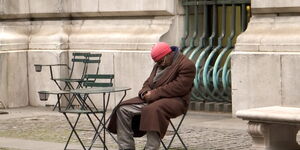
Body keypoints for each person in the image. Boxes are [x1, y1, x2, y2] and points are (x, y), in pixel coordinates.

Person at [108, 42, 196, 150]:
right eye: (157, 62)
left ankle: (151, 148)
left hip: (176, 100)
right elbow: (148, 82)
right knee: (122, 109)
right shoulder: (159, 64)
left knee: (152, 110)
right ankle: (126, 147)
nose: (159, 64)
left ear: (168, 54)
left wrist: (154, 93)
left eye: (161, 61)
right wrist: (145, 92)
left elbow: (179, 87)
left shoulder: (187, 65)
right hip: (154, 99)